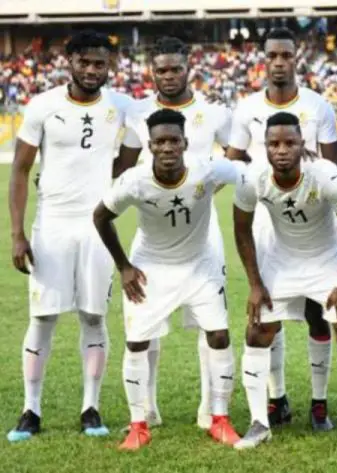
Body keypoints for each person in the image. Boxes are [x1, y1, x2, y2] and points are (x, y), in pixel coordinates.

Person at [7, 30, 133, 442]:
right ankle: (31, 410)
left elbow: (129, 163)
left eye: (100, 63)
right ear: (70, 62)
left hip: (98, 227)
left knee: (94, 316)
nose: (92, 70)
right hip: (52, 226)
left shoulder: (121, 107)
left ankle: (90, 408)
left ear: (110, 66)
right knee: (43, 317)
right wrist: (17, 234)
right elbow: (20, 171)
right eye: (85, 62)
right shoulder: (43, 106)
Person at [92, 109, 242, 450]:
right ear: (150, 146)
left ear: (185, 143)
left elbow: (250, 172)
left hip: (200, 265)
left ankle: (220, 419)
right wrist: (124, 266)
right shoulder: (135, 180)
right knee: (137, 343)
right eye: (160, 142)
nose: (167, 147)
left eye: (174, 140)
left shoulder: (208, 170)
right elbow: (100, 217)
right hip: (151, 268)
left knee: (219, 335)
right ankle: (138, 425)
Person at [232, 112, 337, 450]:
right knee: (257, 331)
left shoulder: (325, 174)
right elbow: (241, 229)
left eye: (289, 143)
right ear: (264, 146)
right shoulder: (253, 177)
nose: (282, 150)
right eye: (274, 144)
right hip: (281, 260)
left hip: (327, 258)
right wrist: (254, 284)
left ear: (302, 144)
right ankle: (259, 423)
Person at [116, 36, 233, 431]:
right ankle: (147, 409)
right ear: (152, 71)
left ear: (189, 68)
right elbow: (123, 167)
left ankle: (209, 408)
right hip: (153, 235)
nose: (168, 76)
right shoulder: (138, 113)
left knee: (209, 322)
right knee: (146, 321)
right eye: (161, 70)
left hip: (203, 231)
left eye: (176, 68)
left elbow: (237, 155)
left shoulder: (213, 114)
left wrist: (207, 190)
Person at [226, 27, 337, 430]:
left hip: (312, 225)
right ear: (263, 60)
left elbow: (335, 167)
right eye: (272, 55)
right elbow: (233, 161)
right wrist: (259, 170)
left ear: (296, 58)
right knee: (267, 313)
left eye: (286, 55)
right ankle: (276, 400)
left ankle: (319, 403)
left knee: (316, 314)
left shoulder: (318, 106)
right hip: (265, 224)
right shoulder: (246, 108)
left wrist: (307, 164)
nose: (279, 62)